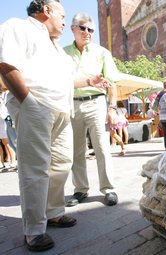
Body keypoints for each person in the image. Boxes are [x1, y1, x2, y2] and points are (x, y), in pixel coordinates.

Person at [0, 0, 76, 251]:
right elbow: (6, 64)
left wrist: (92, 79)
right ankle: (33, 230)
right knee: (35, 168)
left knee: (62, 162)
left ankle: (53, 212)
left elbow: (69, 79)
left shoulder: (57, 48)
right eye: (63, 15)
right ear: (46, 10)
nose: (66, 22)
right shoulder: (17, 27)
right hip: (36, 105)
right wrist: (29, 102)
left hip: (61, 110)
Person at [64, 13, 119, 207]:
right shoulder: (62, 53)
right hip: (71, 103)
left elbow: (112, 82)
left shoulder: (102, 52)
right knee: (75, 150)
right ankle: (80, 189)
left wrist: (112, 108)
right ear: (73, 29)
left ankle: (108, 188)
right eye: (82, 27)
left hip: (96, 102)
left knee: (102, 147)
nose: (87, 32)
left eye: (91, 29)